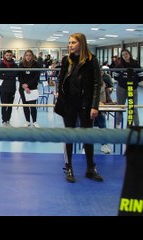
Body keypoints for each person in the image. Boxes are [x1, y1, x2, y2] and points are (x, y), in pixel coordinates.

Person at [56, 33, 103, 183]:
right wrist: (60, 95)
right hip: (69, 102)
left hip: (86, 104)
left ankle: (90, 168)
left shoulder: (91, 60)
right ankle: (68, 166)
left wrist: (94, 105)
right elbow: (60, 78)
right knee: (69, 135)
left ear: (81, 44)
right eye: (69, 42)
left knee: (87, 136)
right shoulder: (66, 60)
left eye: (73, 42)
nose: (70, 45)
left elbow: (97, 84)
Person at [112, 49, 143, 127]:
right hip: (121, 88)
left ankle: (136, 126)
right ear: (121, 57)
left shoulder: (136, 65)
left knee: (133, 107)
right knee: (120, 106)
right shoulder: (119, 65)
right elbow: (115, 76)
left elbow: (141, 76)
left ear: (129, 54)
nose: (125, 56)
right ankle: (118, 125)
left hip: (133, 88)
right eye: (123, 55)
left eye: (126, 54)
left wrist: (134, 82)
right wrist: (123, 80)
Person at [17, 50, 40, 128]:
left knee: (33, 105)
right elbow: (19, 76)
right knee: (25, 105)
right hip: (23, 88)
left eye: (30, 55)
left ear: (32, 56)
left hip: (32, 88)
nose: (28, 57)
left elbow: (36, 77)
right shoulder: (21, 64)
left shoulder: (36, 65)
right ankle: (27, 121)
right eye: (26, 55)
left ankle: (34, 121)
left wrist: (28, 85)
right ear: (24, 56)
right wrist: (24, 86)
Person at [0, 50, 18, 126]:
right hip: (3, 88)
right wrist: (10, 75)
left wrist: (5, 74)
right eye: (7, 55)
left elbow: (15, 74)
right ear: (4, 56)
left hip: (12, 88)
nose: (8, 57)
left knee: (10, 105)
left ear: (12, 56)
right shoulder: (0, 65)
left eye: (10, 55)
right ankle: (4, 119)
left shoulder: (15, 65)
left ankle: (8, 119)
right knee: (4, 104)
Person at [94, 73, 111, 154]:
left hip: (100, 111)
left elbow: (103, 99)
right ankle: (85, 146)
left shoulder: (102, 84)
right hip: (87, 110)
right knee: (86, 126)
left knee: (102, 122)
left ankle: (104, 145)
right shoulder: (86, 83)